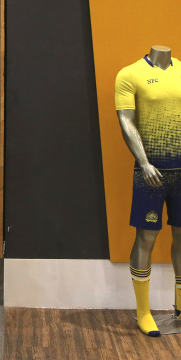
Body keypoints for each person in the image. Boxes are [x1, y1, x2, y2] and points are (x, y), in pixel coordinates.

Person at [116, 45, 181, 337]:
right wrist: (143, 162)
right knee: (146, 237)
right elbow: (126, 120)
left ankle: (180, 304)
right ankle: (143, 311)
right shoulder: (130, 74)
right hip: (151, 172)